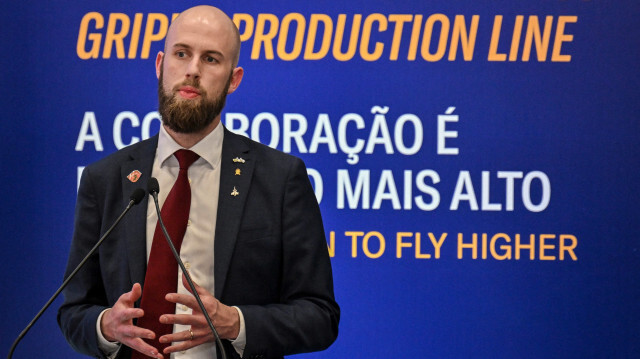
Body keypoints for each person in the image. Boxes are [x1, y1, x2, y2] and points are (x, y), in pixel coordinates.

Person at [58, 5, 339, 359]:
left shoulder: (281, 179)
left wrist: (235, 322)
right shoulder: (106, 179)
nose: (192, 70)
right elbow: (72, 311)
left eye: (210, 59)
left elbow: (320, 316)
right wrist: (106, 327)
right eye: (181, 54)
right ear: (160, 65)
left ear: (233, 80)